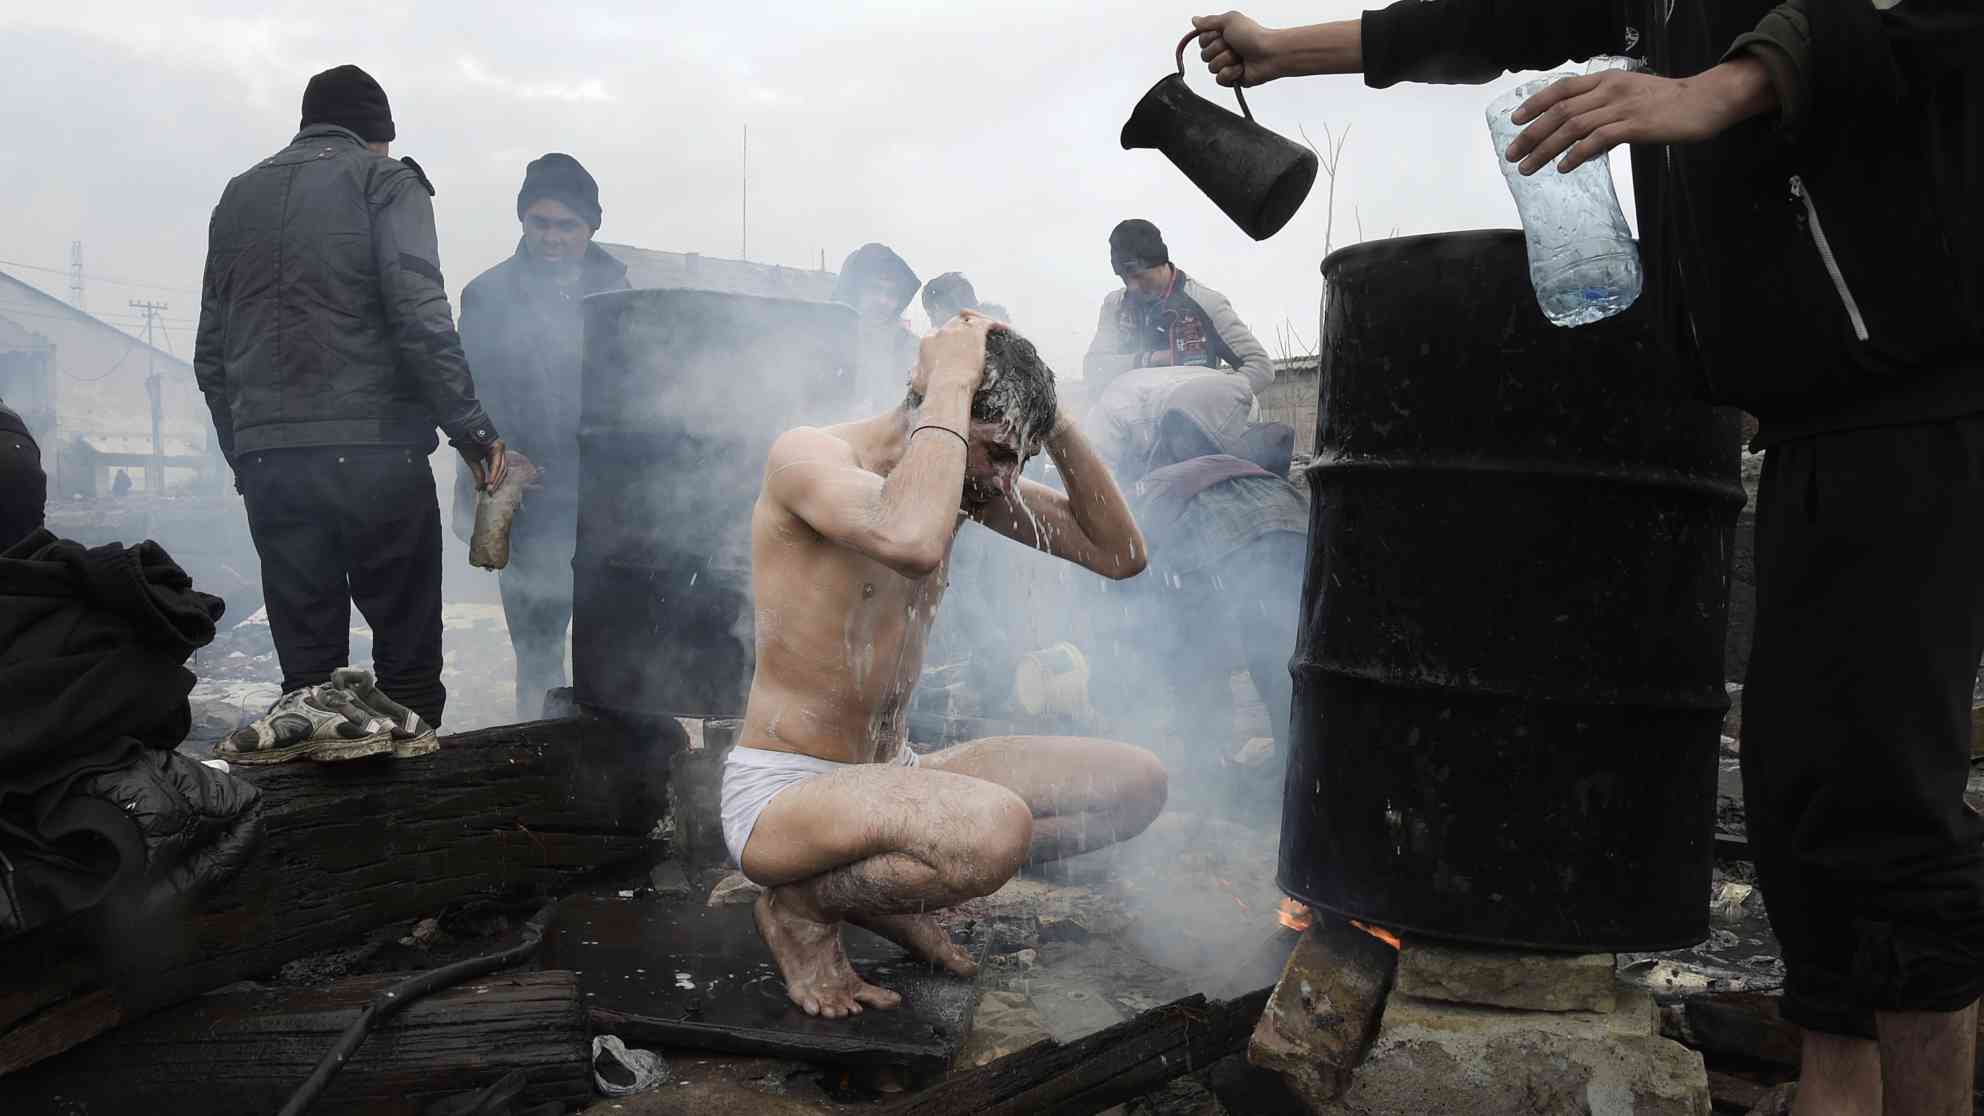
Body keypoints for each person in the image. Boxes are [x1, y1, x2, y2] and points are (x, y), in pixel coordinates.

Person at [1190, 5, 1984, 1112]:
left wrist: (1709, 88)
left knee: (1886, 800)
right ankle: (1836, 1091)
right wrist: (1289, 49)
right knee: (1797, 787)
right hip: (1805, 419)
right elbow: (1496, 15)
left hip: (1916, 397)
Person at [725, 312, 1167, 1018]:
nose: (1004, 479)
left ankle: (883, 890)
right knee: (993, 833)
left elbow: (1120, 555)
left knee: (1135, 786)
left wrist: (1047, 414)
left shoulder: (965, 483)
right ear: (938, 409)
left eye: (1019, 460)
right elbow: (909, 538)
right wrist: (951, 380)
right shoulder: (809, 457)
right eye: (995, 452)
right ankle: (801, 908)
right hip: (786, 795)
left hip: (892, 777)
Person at [194, 64, 507, 760]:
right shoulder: (386, 182)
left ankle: (322, 835)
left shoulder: (237, 196)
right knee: (408, 661)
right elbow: (421, 318)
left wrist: (245, 455)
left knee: (308, 686)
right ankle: (418, 820)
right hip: (375, 457)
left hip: (272, 462)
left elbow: (211, 354)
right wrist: (472, 429)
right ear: (377, 137)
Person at [459, 153, 630, 721]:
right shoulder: (487, 295)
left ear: (592, 226)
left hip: (602, 498)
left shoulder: (622, 295)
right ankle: (538, 743)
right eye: (540, 223)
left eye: (567, 226)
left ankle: (608, 754)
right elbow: (469, 391)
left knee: (611, 642)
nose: (552, 238)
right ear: (522, 221)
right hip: (525, 494)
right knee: (536, 643)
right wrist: (493, 451)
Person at [1082, 219, 1275, 478]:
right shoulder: (1116, 307)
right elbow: (1095, 368)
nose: (1133, 286)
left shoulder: (1205, 302)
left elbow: (1261, 367)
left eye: (1138, 275)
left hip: (1196, 443)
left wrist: (1215, 396)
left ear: (1159, 262)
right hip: (1134, 440)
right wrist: (1149, 359)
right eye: (1125, 278)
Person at [831, 243, 921, 414]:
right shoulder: (828, 338)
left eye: (891, 294)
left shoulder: (908, 345)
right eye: (874, 289)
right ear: (855, 291)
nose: (883, 300)